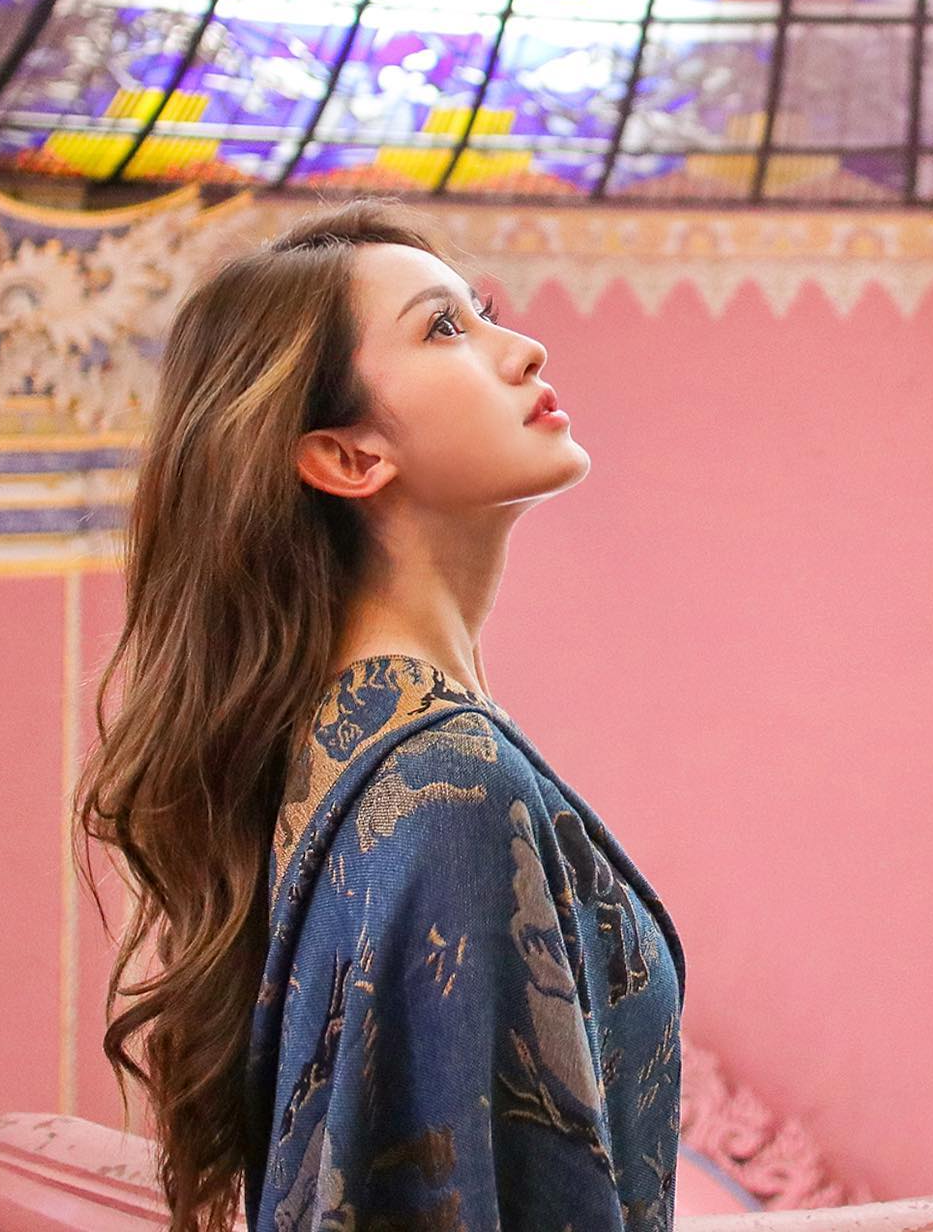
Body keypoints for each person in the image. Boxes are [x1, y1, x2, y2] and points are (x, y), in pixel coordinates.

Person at [74, 198, 686, 1232]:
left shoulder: (350, 746)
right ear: (347, 457)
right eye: (444, 327)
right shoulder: (446, 787)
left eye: (483, 313)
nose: (523, 350)